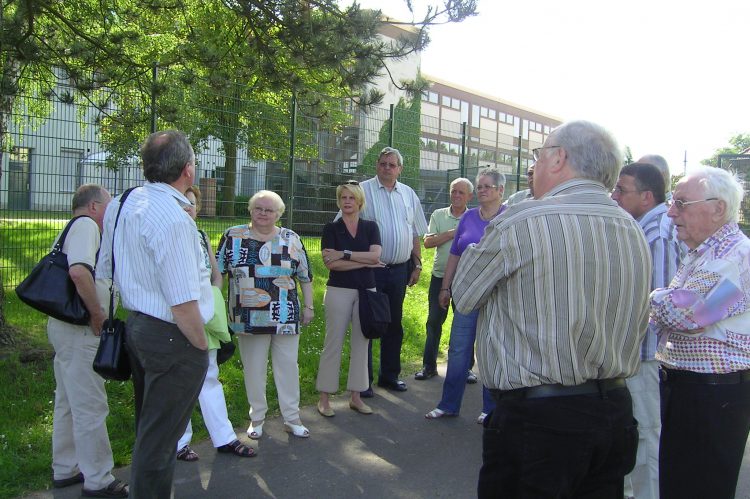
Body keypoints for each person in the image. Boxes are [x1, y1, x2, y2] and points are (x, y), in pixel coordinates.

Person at [452, 120, 651, 498]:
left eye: (538, 155)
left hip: (540, 421)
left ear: (558, 158)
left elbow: (464, 295)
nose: (536, 166)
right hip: (615, 410)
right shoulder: (631, 228)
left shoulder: (521, 221)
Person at [98, 130, 212, 498]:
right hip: (171, 335)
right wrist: (201, 345)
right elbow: (182, 302)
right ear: (188, 170)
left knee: (150, 429)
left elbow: (105, 267)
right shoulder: (176, 219)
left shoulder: (124, 201)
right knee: (161, 440)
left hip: (138, 328)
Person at [651, 166, 750, 499]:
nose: (671, 211)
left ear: (718, 208)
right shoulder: (708, 252)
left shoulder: (734, 256)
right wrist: (666, 301)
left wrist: (654, 296)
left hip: (712, 398)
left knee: (698, 487)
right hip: (698, 394)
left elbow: (686, 313)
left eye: (681, 203)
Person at [47, 184, 128, 498]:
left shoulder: (74, 227)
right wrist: (97, 315)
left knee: (68, 401)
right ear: (95, 206)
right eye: (108, 206)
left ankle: (66, 468)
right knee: (91, 405)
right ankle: (98, 479)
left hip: (65, 327)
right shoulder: (86, 226)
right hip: (81, 329)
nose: (111, 213)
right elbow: (80, 272)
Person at [216, 190, 314, 439]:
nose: (263, 213)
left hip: (284, 313)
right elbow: (217, 274)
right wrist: (214, 307)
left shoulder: (290, 238)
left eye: (269, 210)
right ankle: (256, 418)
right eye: (258, 208)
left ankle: (292, 417)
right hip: (247, 316)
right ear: (250, 210)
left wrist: (309, 306)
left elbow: (305, 276)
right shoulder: (233, 236)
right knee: (254, 368)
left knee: (288, 367)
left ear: (278, 214)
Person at [612, 162, 682, 499]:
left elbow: (658, 308)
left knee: (647, 437)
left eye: (622, 190)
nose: (615, 196)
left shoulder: (657, 235)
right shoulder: (645, 228)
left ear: (647, 195)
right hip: (638, 355)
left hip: (647, 355)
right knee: (637, 436)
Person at [175, 185, 255, 461]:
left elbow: (216, 273)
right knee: (180, 381)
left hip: (205, 317)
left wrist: (213, 295)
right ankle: (178, 443)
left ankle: (224, 438)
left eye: (192, 204)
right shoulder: (171, 234)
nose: (188, 209)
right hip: (177, 317)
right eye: (183, 204)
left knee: (209, 376)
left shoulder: (200, 234)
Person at [425, 168, 505, 424]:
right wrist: (445, 288)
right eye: (479, 186)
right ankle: (449, 404)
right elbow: (455, 255)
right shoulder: (469, 218)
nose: (481, 190)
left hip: (497, 299)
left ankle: (490, 409)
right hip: (467, 296)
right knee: (459, 350)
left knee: (490, 352)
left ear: (500, 191)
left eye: (487, 186)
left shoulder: (510, 218)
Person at [351, 147, 428, 397]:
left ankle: (389, 376)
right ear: (377, 165)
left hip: (399, 270)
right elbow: (347, 225)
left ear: (400, 169)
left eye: (391, 165)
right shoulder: (362, 191)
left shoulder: (408, 194)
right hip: (370, 270)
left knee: (394, 324)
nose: (386, 168)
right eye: (383, 163)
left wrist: (416, 264)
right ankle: (363, 382)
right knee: (368, 323)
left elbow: (415, 231)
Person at [316, 181, 383, 417]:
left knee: (361, 344)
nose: (347, 201)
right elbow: (330, 263)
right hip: (338, 290)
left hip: (367, 291)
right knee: (332, 342)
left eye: (351, 198)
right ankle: (324, 398)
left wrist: (345, 254)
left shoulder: (370, 227)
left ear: (359, 201)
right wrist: (363, 260)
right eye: (343, 197)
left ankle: (356, 396)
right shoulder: (331, 229)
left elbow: (376, 256)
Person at [415, 177, 473, 381]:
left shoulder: (474, 217)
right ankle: (429, 366)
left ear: (469, 196)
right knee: (433, 322)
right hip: (440, 278)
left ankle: (465, 369)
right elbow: (428, 242)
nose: (456, 196)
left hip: (466, 280)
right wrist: (452, 233)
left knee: (465, 324)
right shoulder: (439, 214)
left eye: (461, 193)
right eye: (453, 191)